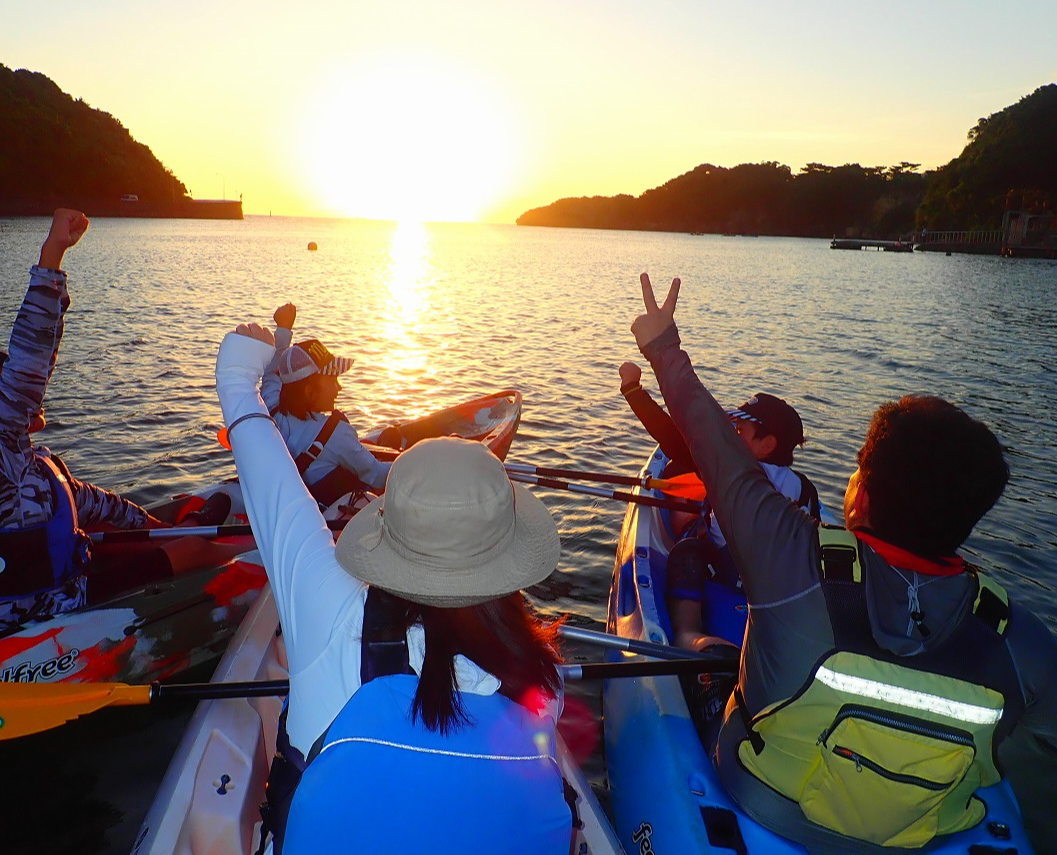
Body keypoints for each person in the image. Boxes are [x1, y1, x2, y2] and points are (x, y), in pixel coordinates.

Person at [630, 272, 1057, 851]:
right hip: (922, 831)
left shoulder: (794, 556)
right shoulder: (1020, 635)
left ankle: (694, 647)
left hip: (769, 801)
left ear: (864, 493)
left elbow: (717, 451)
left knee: (717, 667)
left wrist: (663, 349)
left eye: (857, 465)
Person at [216, 321, 572, 854]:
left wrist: (243, 365)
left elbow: (263, 462)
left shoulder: (330, 604)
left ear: (387, 531)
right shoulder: (543, 681)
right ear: (507, 555)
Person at [0, 209, 234, 634]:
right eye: (8, 386)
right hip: (41, 613)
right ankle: (254, 567)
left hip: (57, 586)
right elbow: (30, 360)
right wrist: (52, 254)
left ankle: (196, 533)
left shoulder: (18, 462)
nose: (32, 395)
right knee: (195, 554)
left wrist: (159, 530)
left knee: (173, 539)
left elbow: (95, 503)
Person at [620, 362, 833, 653]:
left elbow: (670, 438)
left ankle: (688, 634)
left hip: (724, 571)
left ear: (767, 444)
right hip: (780, 585)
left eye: (740, 429)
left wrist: (632, 389)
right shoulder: (805, 488)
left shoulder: (726, 469)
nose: (731, 434)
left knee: (688, 550)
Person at [260, 302, 392, 507]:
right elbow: (377, 475)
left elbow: (271, 373)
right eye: (333, 379)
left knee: (390, 435)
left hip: (303, 505)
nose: (339, 387)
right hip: (338, 518)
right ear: (308, 390)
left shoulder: (272, 409)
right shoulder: (337, 434)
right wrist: (419, 458)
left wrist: (284, 328)